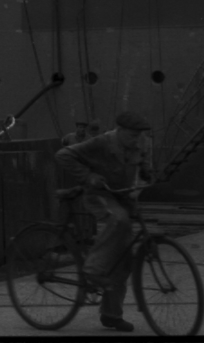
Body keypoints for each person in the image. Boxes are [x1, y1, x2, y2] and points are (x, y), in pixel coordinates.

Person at [55, 110, 154, 333]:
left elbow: (144, 165)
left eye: (139, 135)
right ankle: (92, 269)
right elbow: (63, 155)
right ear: (120, 131)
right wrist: (88, 176)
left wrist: (147, 172)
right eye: (132, 135)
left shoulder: (142, 142)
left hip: (122, 196)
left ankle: (111, 315)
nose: (137, 139)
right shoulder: (102, 142)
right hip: (99, 194)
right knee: (119, 220)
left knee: (124, 259)